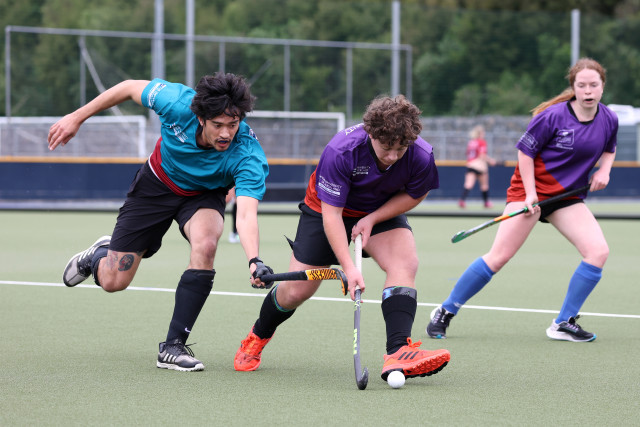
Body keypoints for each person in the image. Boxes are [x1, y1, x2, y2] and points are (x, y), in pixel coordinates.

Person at [47, 72, 274, 371]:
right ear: (201, 118)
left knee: (206, 244)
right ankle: (98, 256)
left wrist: (254, 260)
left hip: (204, 195)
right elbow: (128, 87)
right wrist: (76, 117)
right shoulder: (177, 103)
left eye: (232, 125)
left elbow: (245, 213)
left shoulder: (247, 153)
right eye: (217, 125)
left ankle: (173, 346)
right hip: (156, 185)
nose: (225, 134)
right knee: (114, 282)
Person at [234, 95, 451, 382]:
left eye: (400, 149)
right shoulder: (341, 150)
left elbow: (416, 193)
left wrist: (373, 218)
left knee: (405, 262)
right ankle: (258, 335)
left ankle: (398, 350)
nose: (392, 156)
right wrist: (349, 268)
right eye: (387, 147)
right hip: (326, 209)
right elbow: (332, 216)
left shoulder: (420, 154)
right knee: (295, 292)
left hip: (377, 208)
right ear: (371, 134)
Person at [427, 58, 617, 342]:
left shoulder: (609, 119)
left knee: (598, 252)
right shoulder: (552, 116)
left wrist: (605, 170)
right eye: (582, 85)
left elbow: (610, 148)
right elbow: (525, 153)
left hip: (566, 196)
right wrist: (530, 194)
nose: (588, 91)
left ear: (602, 86)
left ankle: (563, 322)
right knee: (499, 257)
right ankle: (446, 310)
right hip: (530, 191)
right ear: (573, 87)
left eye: (593, 85)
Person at [458, 125, 497, 208]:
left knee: (468, 184)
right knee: (484, 185)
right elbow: (482, 155)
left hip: (470, 164)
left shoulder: (471, 142)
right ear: (480, 133)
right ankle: (486, 202)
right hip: (479, 165)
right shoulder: (481, 142)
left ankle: (462, 200)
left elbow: (467, 153)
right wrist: (491, 161)